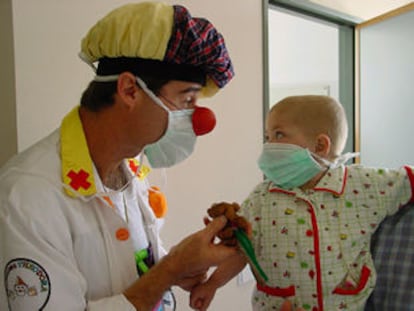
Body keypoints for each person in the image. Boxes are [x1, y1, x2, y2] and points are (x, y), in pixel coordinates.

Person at [0, 2, 239, 310]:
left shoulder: (131, 168)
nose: (198, 118)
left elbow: (131, 264)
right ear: (129, 90)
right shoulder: (28, 195)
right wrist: (170, 269)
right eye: (187, 98)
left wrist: (180, 265)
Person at [189, 95, 414, 311]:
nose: (269, 145)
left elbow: (408, 181)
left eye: (278, 135)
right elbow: (242, 251)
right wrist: (212, 284)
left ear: (319, 146)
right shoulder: (262, 197)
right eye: (267, 136)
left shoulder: (364, 185)